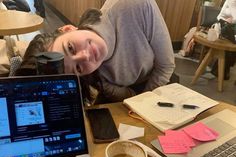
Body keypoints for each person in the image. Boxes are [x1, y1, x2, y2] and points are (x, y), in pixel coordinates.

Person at [16, 0, 175, 104]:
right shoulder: (92, 74)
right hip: (135, 95)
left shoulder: (134, 5)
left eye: (70, 48)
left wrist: (142, 104)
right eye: (78, 68)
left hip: (160, 83)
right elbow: (126, 93)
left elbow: (166, 66)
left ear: (67, 29)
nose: (85, 57)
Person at [211, 0, 236, 80]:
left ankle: (220, 69)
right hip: (222, 25)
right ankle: (221, 69)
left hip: (231, 27)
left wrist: (233, 20)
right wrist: (232, 20)